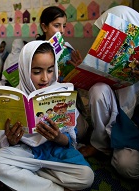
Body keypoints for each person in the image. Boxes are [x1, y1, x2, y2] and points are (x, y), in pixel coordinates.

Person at [77, 5, 139, 182]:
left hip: (138, 130)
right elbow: (98, 95)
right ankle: (100, 144)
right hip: (116, 117)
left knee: (127, 166)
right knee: (98, 89)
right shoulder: (109, 58)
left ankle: (117, 146)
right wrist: (83, 72)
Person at [0, 41, 94, 191]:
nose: (45, 78)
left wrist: (59, 137)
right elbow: (6, 142)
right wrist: (11, 140)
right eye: (37, 72)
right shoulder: (15, 96)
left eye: (50, 70)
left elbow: (71, 138)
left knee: (86, 176)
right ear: (25, 70)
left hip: (56, 153)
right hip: (26, 153)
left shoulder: (62, 93)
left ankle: (30, 179)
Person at [36, 5, 89, 142]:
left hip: (66, 103)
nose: (62, 31)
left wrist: (80, 70)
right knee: (40, 134)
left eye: (64, 26)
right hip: (43, 103)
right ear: (44, 27)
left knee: (81, 132)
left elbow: (80, 86)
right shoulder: (34, 52)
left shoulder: (67, 49)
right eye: (56, 25)